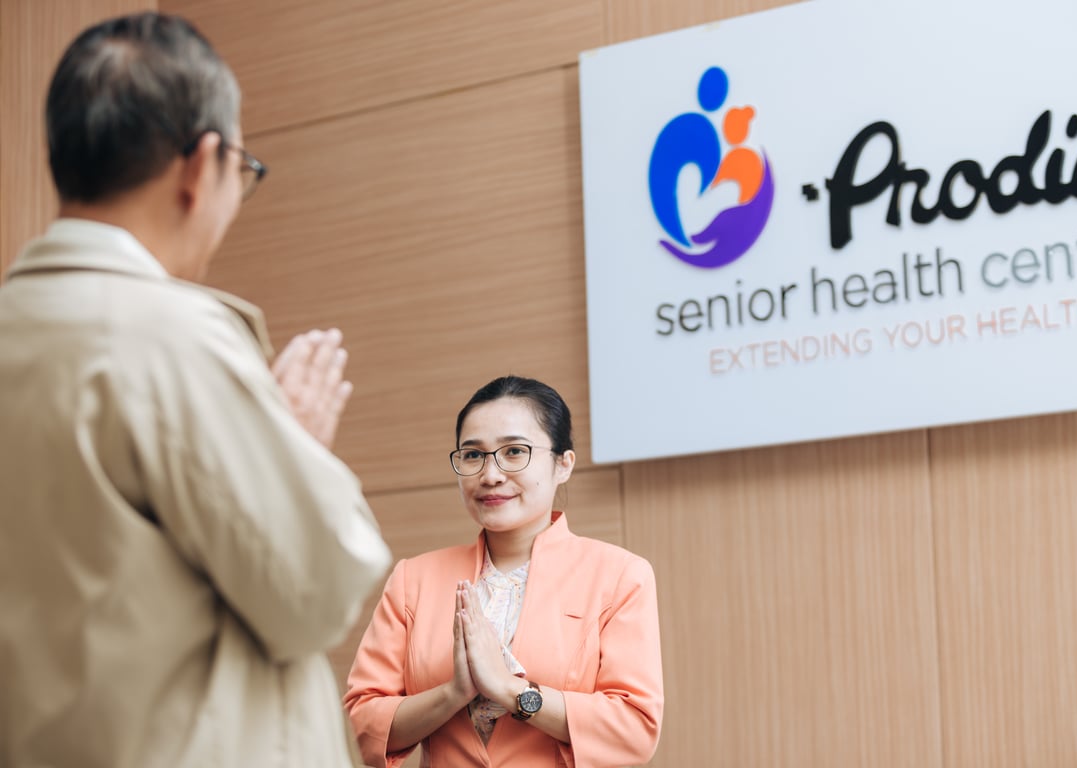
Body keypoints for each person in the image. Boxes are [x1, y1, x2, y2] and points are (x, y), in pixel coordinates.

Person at [0, 12, 391, 768]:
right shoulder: (167, 337)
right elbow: (314, 593)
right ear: (202, 163)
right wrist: (294, 447)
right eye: (242, 169)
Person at [345, 376, 663, 767]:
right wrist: (452, 694)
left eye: (514, 451)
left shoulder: (620, 576)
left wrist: (511, 691)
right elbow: (364, 726)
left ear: (563, 464)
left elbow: (634, 731)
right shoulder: (413, 579)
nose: (490, 474)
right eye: (473, 455)